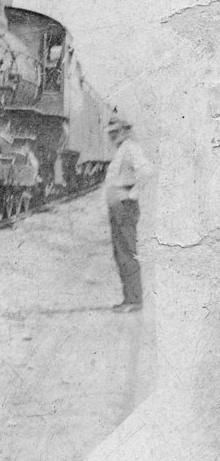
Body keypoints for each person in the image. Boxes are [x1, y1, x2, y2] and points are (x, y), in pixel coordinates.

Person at [102, 114, 151, 313]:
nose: (112, 136)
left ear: (123, 131)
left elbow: (146, 171)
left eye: (115, 132)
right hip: (119, 206)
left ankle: (134, 300)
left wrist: (132, 193)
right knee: (121, 253)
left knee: (127, 252)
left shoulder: (131, 148)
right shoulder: (123, 149)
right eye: (111, 133)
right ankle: (129, 298)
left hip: (125, 207)